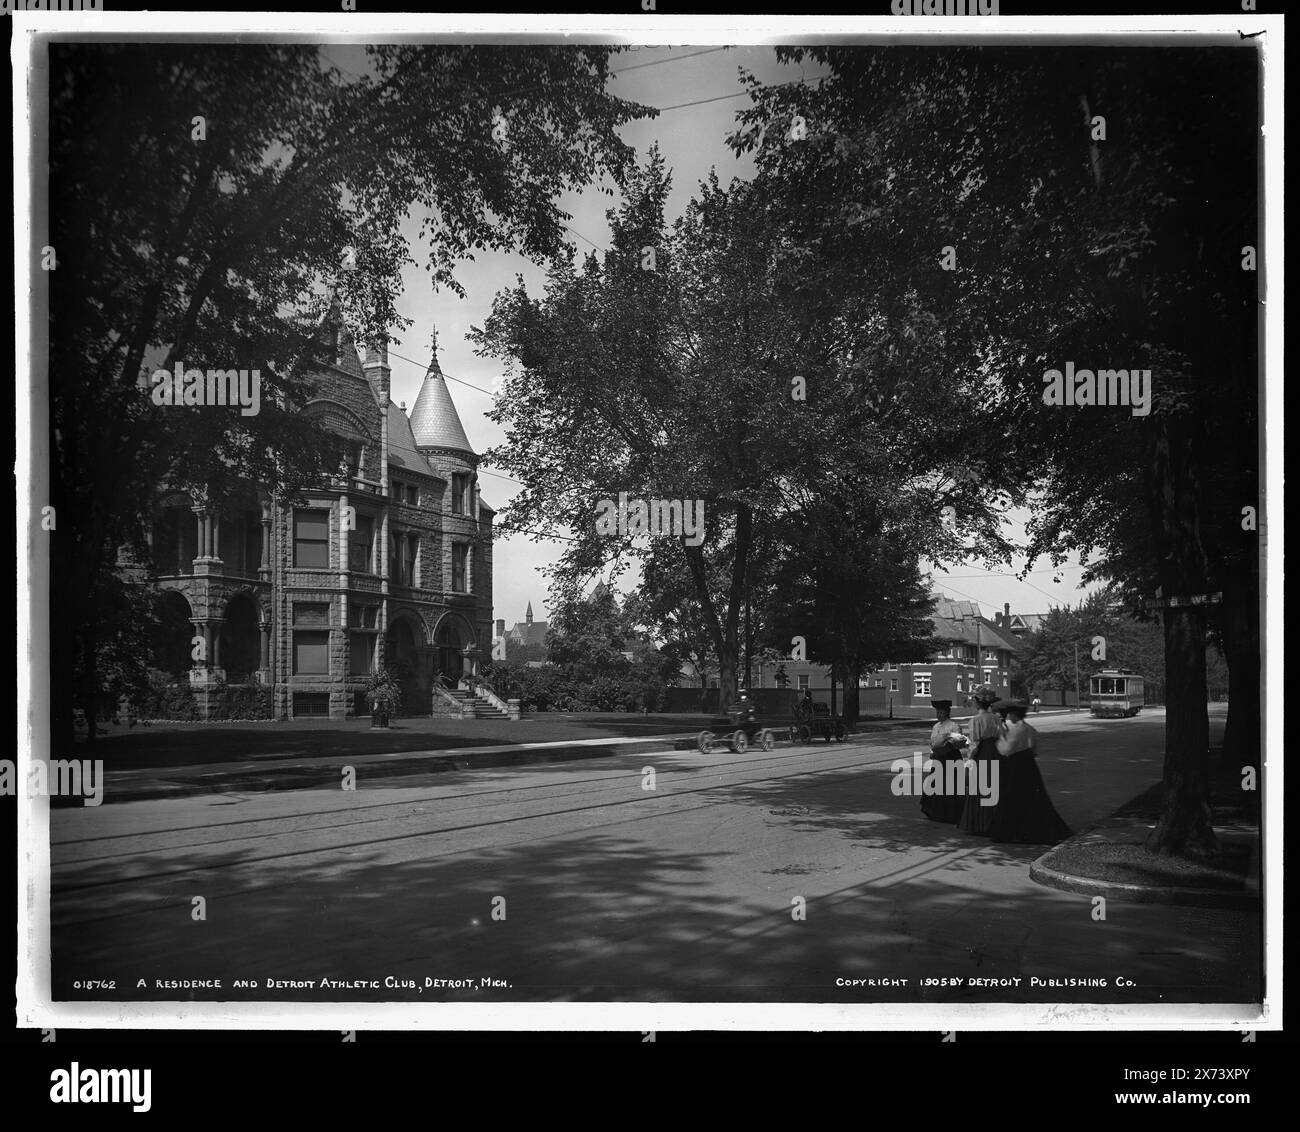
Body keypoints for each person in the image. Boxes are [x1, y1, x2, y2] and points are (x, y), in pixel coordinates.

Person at [989, 701, 1072, 844]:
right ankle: (1030, 830)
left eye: (1011, 714)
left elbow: (1006, 750)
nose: (1009, 717)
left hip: (1015, 766)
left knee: (1010, 798)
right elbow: (1034, 749)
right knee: (1032, 798)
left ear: (1015, 715)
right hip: (1029, 765)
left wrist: (1001, 737)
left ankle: (1009, 832)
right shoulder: (1029, 728)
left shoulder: (1015, 730)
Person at [957, 685, 1001, 835]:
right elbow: (1000, 736)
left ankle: (980, 823)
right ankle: (993, 820)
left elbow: (974, 742)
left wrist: (970, 758)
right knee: (993, 784)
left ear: (977, 702)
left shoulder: (975, 720)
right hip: (993, 751)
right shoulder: (995, 718)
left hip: (982, 752)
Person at [920, 699, 966, 824]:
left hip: (950, 757)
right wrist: (932, 751)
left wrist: (946, 745)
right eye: (937, 712)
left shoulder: (953, 725)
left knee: (950, 786)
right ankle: (936, 812)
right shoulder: (935, 726)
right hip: (939, 758)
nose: (939, 715)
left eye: (941, 713)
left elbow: (958, 742)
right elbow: (932, 742)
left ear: (947, 713)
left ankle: (951, 814)